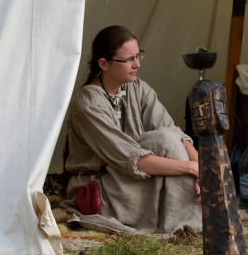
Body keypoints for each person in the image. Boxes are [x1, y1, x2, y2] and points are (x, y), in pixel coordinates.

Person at [64, 25, 202, 235]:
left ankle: (192, 224)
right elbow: (134, 161)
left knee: (167, 138)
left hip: (130, 180)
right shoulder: (88, 103)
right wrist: (191, 168)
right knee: (164, 143)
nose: (137, 64)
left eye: (139, 56)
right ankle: (194, 225)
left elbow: (173, 131)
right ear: (104, 63)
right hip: (101, 190)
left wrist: (203, 168)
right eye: (129, 59)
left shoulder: (137, 88)